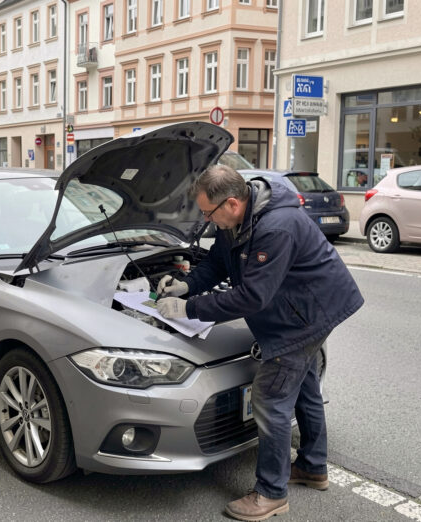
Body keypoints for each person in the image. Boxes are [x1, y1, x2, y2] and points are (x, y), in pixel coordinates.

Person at [155, 164, 364, 521]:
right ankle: (313, 467)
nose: (206, 220)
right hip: (305, 305)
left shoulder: (275, 227)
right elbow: (218, 262)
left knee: (270, 397)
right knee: (305, 387)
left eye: (208, 213)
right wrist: (187, 285)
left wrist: (188, 308)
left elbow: (253, 297)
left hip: (307, 315)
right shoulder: (237, 220)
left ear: (232, 204)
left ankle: (271, 493)